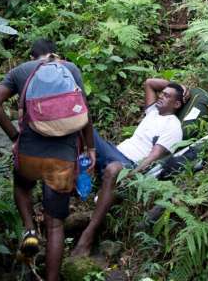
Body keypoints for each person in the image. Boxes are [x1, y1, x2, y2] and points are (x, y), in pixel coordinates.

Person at [0, 39, 95, 281]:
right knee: (55, 224)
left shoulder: (20, 71)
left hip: (29, 153)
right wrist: (90, 148)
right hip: (63, 159)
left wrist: (15, 135)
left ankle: (29, 229)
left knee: (22, 187)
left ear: (32, 55)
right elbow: (85, 112)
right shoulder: (71, 70)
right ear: (54, 52)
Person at [70, 78, 185, 257]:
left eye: (167, 96)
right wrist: (180, 86)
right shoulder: (153, 112)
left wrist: (131, 175)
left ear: (177, 103)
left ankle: (88, 235)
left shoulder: (173, 126)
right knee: (82, 123)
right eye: (162, 93)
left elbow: (152, 158)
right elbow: (149, 83)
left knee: (114, 169)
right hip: (113, 151)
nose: (161, 96)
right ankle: (73, 186)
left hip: (127, 164)